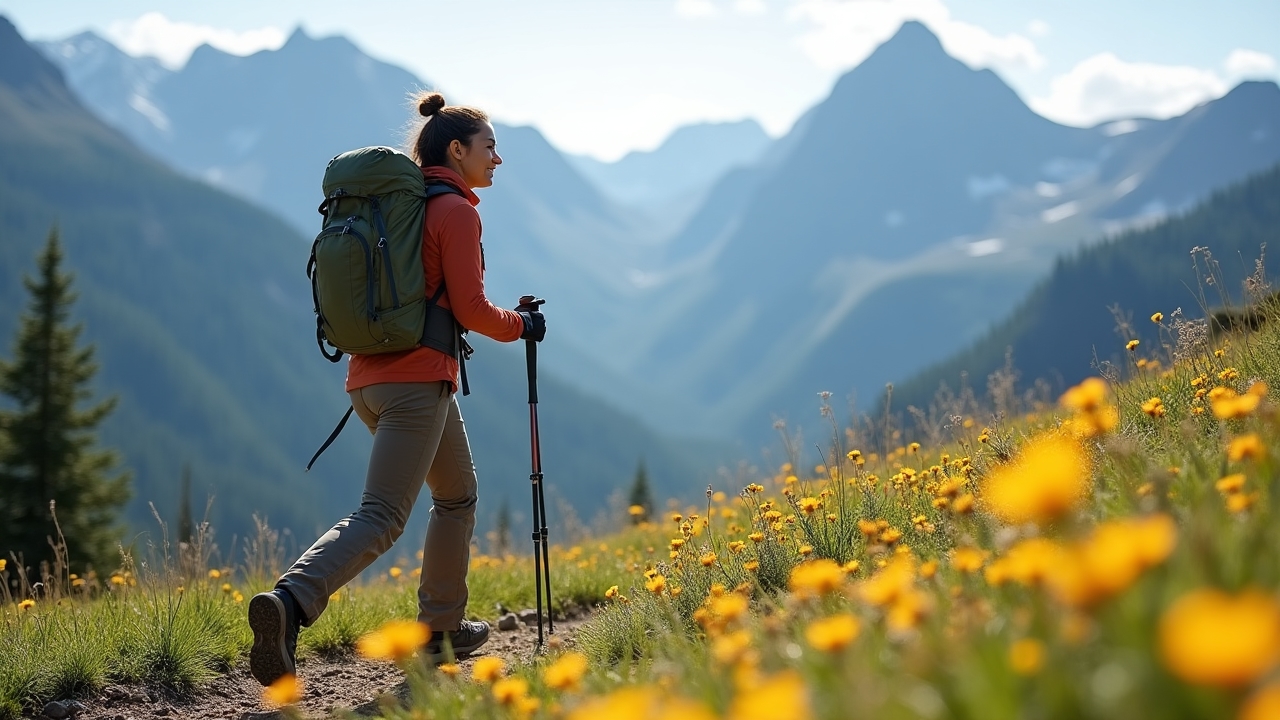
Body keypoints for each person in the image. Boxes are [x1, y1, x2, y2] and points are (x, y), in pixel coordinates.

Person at [247, 92, 546, 686]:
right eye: (490, 147)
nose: (498, 159)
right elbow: (471, 308)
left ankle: (439, 630)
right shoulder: (456, 212)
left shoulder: (406, 206)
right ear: (456, 151)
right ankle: (290, 602)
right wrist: (523, 325)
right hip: (416, 384)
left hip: (369, 379)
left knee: (458, 493)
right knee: (383, 515)